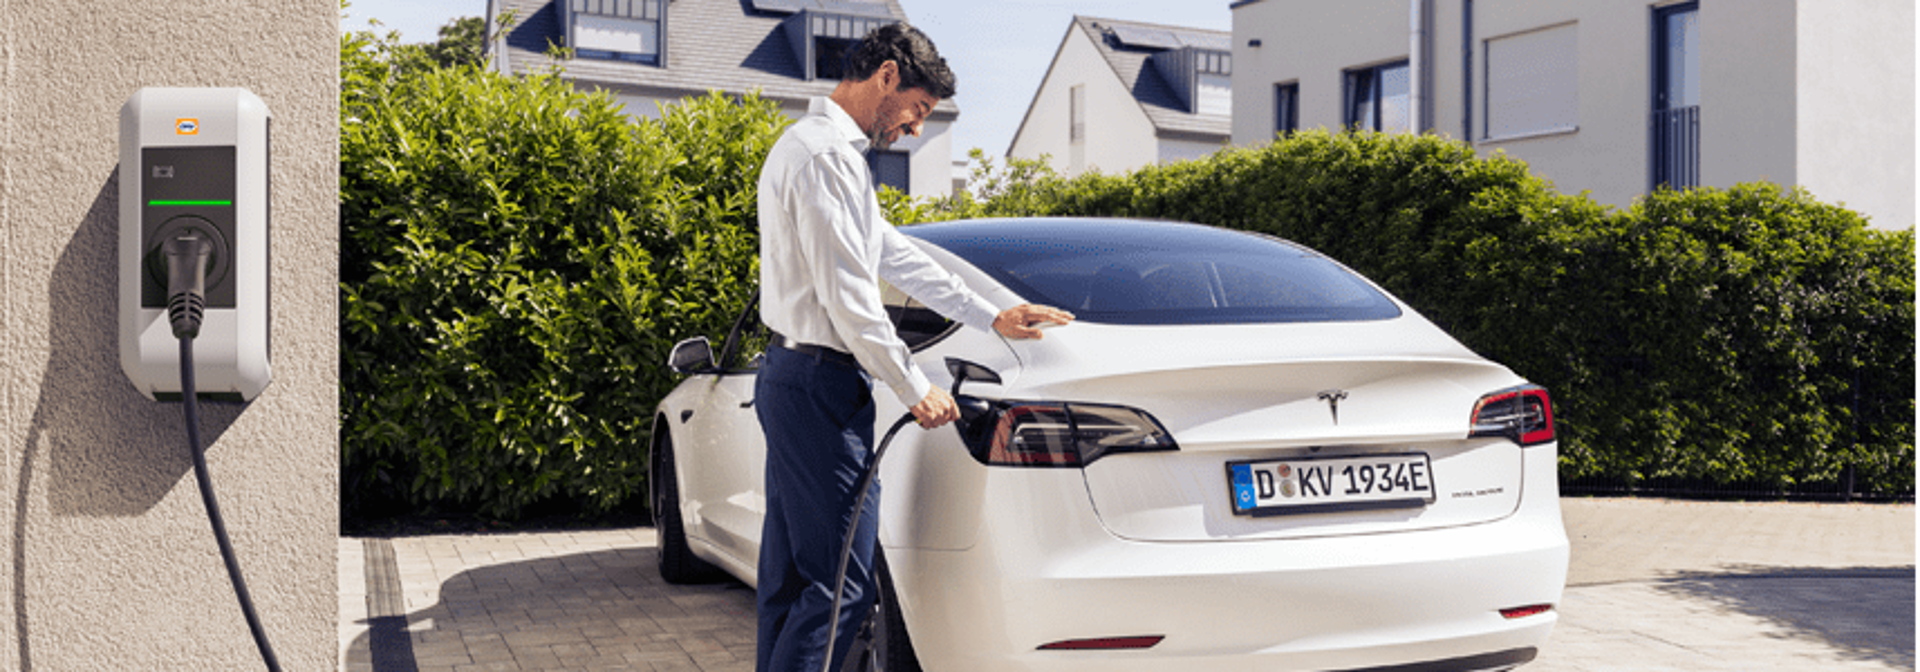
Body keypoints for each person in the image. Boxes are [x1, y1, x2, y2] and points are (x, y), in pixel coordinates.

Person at [752, 21, 1074, 672]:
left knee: (793, 582)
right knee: (842, 585)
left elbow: (894, 257)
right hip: (820, 385)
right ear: (887, 77)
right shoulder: (825, 157)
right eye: (919, 110)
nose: (915, 128)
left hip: (798, 377)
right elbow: (849, 296)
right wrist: (912, 386)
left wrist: (994, 314)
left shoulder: (825, 153)